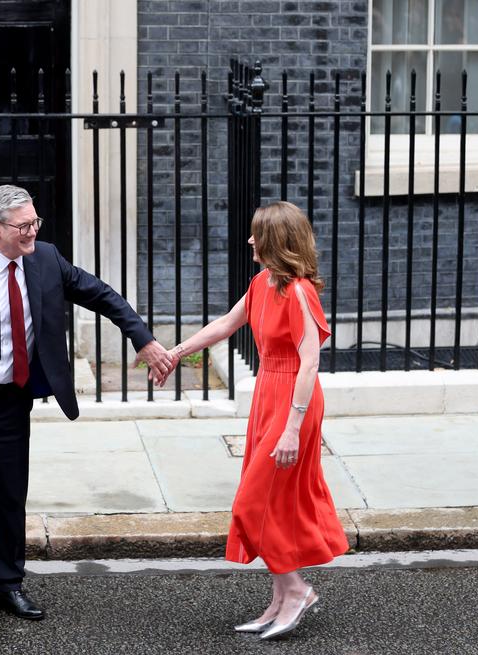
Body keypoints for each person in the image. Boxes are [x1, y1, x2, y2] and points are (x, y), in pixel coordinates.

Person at [0, 184, 173, 626]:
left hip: (11, 402)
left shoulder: (46, 259)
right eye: (23, 226)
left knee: (10, 498)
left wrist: (141, 338)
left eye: (35, 222)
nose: (32, 232)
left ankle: (9, 585)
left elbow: (101, 294)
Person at [163, 201, 348, 640]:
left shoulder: (299, 292)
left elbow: (309, 363)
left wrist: (292, 429)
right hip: (268, 393)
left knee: (251, 504)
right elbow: (226, 325)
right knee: (272, 505)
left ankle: (297, 590)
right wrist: (175, 353)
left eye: (257, 234)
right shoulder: (263, 282)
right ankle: (280, 600)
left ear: (276, 241)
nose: (249, 240)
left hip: (293, 401)